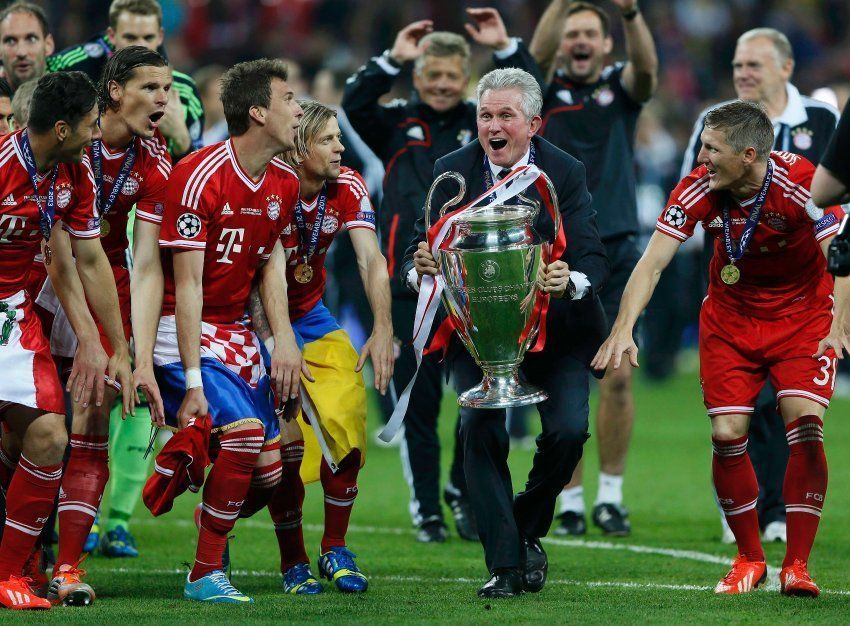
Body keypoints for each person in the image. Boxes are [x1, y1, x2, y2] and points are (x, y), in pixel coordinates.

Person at [595, 100, 848, 596]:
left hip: (802, 318)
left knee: (805, 423)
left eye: (712, 148)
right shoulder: (698, 185)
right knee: (728, 432)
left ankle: (797, 565)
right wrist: (623, 326)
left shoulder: (802, 182)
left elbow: (839, 255)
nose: (702, 156)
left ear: (748, 155)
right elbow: (651, 264)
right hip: (730, 321)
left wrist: (840, 323)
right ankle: (748, 559)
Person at [407, 68, 608, 598]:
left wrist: (572, 279)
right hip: (477, 334)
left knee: (568, 432)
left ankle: (524, 529)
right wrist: (420, 266)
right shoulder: (452, 170)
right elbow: (419, 248)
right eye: (485, 115)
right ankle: (506, 566)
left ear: (534, 124)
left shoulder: (564, 172)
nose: (493, 126)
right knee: (480, 434)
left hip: (554, 330)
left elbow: (592, 254)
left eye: (505, 116)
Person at [343, 9, 540, 544]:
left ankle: (461, 490)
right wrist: (390, 60)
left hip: (474, 286)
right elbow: (352, 105)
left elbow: (532, 102)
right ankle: (427, 508)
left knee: (479, 393)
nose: (442, 85)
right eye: (432, 75)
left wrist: (505, 51)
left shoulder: (484, 128)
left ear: (468, 78)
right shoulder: (394, 123)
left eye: (452, 76)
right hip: (412, 283)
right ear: (418, 75)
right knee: (420, 403)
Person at [19, 48, 171, 603]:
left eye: (167, 89)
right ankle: (24, 557)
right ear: (113, 92)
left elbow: (146, 259)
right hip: (38, 283)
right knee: (29, 422)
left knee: (93, 414)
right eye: (151, 87)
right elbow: (59, 254)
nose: (162, 99)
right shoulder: (69, 145)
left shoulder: (155, 162)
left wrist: (133, 350)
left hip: (107, 283)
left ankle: (67, 568)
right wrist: (89, 337)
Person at [150, 58, 304, 605]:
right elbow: (186, 286)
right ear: (258, 111)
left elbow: (272, 263)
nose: (299, 108)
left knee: (274, 469)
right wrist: (192, 378)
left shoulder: (285, 181)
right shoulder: (197, 174)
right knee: (240, 435)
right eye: (289, 99)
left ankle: (209, 496)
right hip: (179, 328)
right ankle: (204, 572)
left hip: (237, 330)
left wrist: (282, 338)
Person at [681, 28, 839, 545]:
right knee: (739, 415)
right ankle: (749, 514)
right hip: (734, 285)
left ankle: (777, 513)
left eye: (754, 64)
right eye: (737, 64)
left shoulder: (822, 121)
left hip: (803, 289)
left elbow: (835, 201)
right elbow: (695, 193)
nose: (743, 73)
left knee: (793, 411)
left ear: (786, 68)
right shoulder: (716, 125)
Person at [523, 0, 657, 537]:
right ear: (562, 42)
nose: (579, 41)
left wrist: (629, 16)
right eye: (571, 32)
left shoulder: (621, 92)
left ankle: (610, 496)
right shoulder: (539, 94)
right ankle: (571, 499)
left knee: (618, 376)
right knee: (564, 374)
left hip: (619, 247)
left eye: (589, 34)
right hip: (554, 252)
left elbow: (646, 71)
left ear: (604, 46)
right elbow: (530, 56)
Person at [0, 71, 133, 610]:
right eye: (89, 122)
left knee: (49, 437)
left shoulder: (74, 175)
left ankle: (9, 574)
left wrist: (108, 344)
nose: (96, 130)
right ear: (61, 128)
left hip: (13, 313)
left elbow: (87, 259)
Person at [249, 100, 393, 595]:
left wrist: (381, 325)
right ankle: (293, 561)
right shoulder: (270, 186)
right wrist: (274, 342)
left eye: (339, 138)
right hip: (251, 319)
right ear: (297, 146)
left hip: (310, 315)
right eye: (328, 139)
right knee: (277, 447)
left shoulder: (347, 185)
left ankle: (334, 548)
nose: (340, 147)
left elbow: (371, 260)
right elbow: (251, 280)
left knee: (347, 410)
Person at [48, 0, 205, 159]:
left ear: (160, 37)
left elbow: (200, 172)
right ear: (112, 36)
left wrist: (182, 138)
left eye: (148, 37)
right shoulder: (73, 68)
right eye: (130, 37)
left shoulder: (184, 91)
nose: (140, 47)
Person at [0, 2, 53, 91]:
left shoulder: (72, 65)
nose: (21, 52)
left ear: (48, 45)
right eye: (10, 41)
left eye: (31, 39)